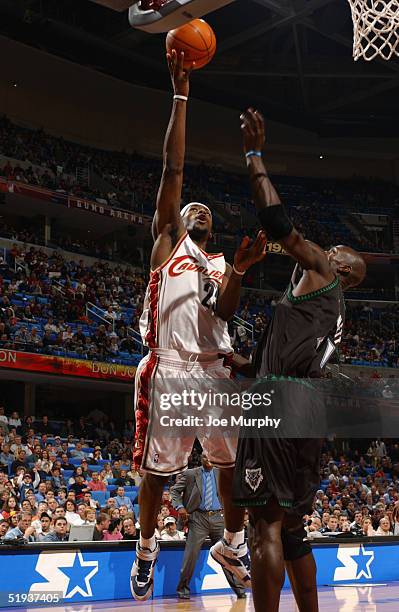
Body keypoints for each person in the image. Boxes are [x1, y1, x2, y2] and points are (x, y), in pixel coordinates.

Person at [130, 52, 265, 601]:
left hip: (215, 373)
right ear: (179, 221)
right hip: (170, 368)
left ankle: (231, 546)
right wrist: (181, 94)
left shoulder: (216, 264)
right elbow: (174, 171)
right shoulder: (168, 247)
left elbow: (228, 311)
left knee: (232, 465)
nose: (200, 211)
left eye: (207, 211)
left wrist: (241, 269)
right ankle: (144, 549)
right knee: (159, 472)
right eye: (193, 210)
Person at [226, 109, 366, 612]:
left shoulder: (324, 270)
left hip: (280, 405)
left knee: (263, 526)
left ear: (342, 266)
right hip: (305, 409)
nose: (328, 249)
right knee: (292, 532)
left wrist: (255, 157)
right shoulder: (327, 309)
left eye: (336, 250)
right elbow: (286, 355)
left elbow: (278, 223)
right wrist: (242, 363)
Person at [171, 454, 246, 600]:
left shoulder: (221, 473)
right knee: (191, 555)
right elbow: (174, 490)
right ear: (201, 459)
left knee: (227, 554)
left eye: (211, 457)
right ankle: (182, 589)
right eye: (206, 457)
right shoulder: (190, 474)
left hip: (218, 517)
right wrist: (179, 506)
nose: (209, 460)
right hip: (198, 517)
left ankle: (239, 589)